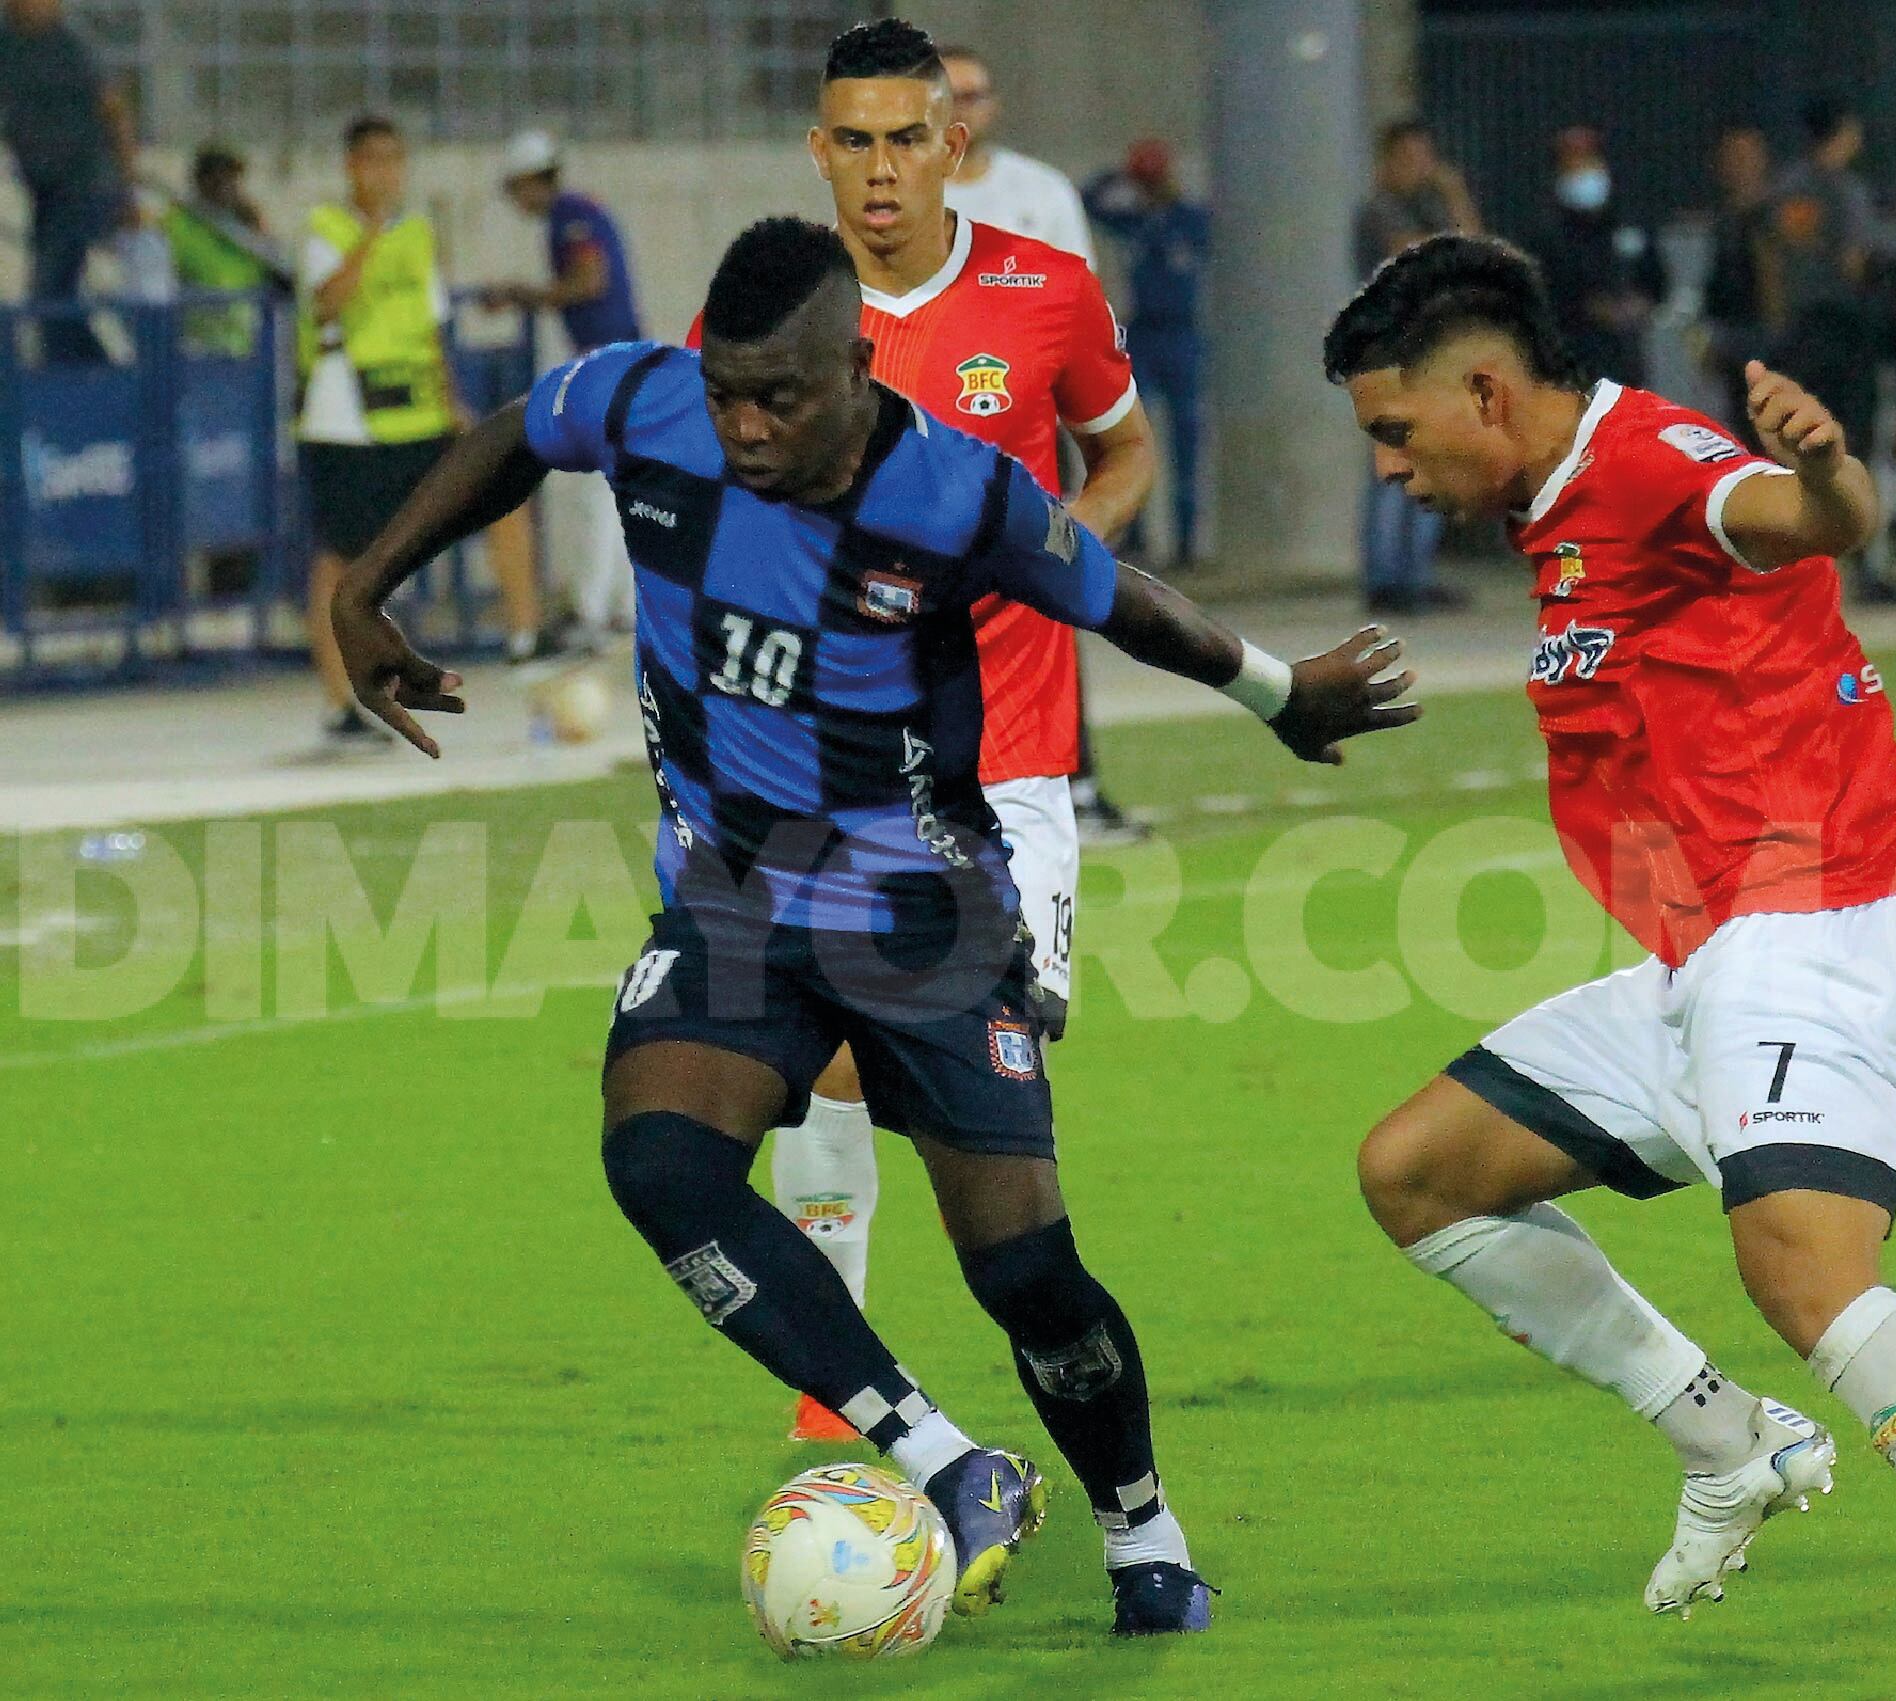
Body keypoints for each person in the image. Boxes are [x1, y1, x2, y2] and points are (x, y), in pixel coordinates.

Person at [329, 216, 1417, 1635]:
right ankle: (945, 1459)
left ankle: (1142, 1520)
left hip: (921, 912)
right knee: (661, 1161)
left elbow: (1126, 605)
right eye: (726, 390)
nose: (743, 422)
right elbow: (512, 435)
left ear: (856, 364)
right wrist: (366, 587)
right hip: (731, 892)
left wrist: (1281, 692)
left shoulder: (956, 493)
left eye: (778, 394)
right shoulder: (652, 401)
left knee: (1025, 1273)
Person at [1326, 233, 1896, 1683]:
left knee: (1808, 1276)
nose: (1390, 470)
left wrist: (1838, 468)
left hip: (1807, 924)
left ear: (1484, 389)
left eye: (1395, 433)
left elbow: (1805, 518)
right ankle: (1726, 1440)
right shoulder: (1552, 503)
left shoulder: (1657, 461)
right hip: (1701, 956)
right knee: (1417, 1171)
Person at [690, 18, 1160, 1441]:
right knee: (824, 1061)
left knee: (989, 1127)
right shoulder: (765, 320)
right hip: (818, 772)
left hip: (1008, 764)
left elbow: (1124, 445)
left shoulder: (1047, 292)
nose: (882, 169)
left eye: (909, 138)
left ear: (956, 145)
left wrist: (1064, 549)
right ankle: (843, 1419)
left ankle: (1097, 1454)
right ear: (816, 151)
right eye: (855, 140)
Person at [934, 39, 1134, 845]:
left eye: (976, 93)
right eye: (950, 94)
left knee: (1047, 590)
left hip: (1023, 430)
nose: (966, 108)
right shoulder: (903, 193)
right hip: (928, 432)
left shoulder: (1038, 192)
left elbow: (1079, 313)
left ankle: (1073, 778)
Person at [297, 114, 549, 746]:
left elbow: (431, 327)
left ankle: (525, 639)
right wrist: (371, 232)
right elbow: (327, 301)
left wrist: (455, 402)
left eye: (396, 161)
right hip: (348, 421)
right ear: (352, 167)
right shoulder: (325, 232)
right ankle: (341, 708)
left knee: (502, 492)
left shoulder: (418, 237)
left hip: (419, 414)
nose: (388, 174)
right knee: (341, 561)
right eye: (375, 161)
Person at [480, 129, 644, 647]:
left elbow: (589, 281)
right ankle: (619, 608)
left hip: (608, 361)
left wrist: (520, 294)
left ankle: (595, 610)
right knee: (616, 486)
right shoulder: (579, 210)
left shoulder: (568, 214)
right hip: (619, 359)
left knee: (600, 491)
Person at [1771, 97, 1896, 605]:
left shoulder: (1787, 189)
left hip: (1800, 331)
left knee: (1799, 449)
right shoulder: (1848, 191)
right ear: (1844, 131)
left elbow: (1778, 259)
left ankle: (1796, 573)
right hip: (1847, 331)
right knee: (1856, 451)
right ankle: (1866, 567)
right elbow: (1855, 261)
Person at [1352, 120, 1480, 615]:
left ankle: (1416, 575)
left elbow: (1475, 253)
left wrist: (1455, 197)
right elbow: (1420, 253)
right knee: (1391, 466)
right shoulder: (1377, 211)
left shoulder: (1431, 207)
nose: (1420, 168)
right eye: (1409, 157)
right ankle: (1385, 579)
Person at [1084, 139, 1211, 569]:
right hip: (1142, 335)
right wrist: (1123, 176)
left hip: (1181, 335)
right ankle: (1136, 536)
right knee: (1133, 438)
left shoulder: (1189, 220)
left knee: (1186, 441)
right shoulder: (1133, 220)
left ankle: (1186, 542)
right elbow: (1088, 198)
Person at [0, 0, 138, 363]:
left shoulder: (73, 46)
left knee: (52, 288)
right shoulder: (7, 42)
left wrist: (127, 189)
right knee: (55, 292)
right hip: (44, 191)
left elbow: (114, 111)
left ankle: (86, 375)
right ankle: (84, 369)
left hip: (87, 186)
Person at [937, 43, 1096, 265]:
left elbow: (1078, 287)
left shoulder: (1046, 190)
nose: (959, 109)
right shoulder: (894, 191)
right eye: (947, 97)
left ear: (993, 104)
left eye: (971, 97)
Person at [1532, 126, 1662, 387]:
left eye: (1588, 163)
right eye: (1572, 166)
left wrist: (1639, 304)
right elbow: (1547, 295)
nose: (1582, 173)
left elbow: (1657, 281)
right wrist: (1591, 309)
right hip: (1576, 361)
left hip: (1629, 360)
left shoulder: (1629, 222)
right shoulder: (1548, 236)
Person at [163, 143, 293, 359]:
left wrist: (258, 229)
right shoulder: (179, 223)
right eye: (216, 178)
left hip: (246, 349)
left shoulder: (245, 230)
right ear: (200, 181)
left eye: (231, 178)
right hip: (197, 348)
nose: (225, 186)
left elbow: (282, 270)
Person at [1699, 126, 1781, 424]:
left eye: (1746, 156)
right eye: (1731, 157)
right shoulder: (1724, 221)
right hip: (1733, 342)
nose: (1738, 165)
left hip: (1770, 343)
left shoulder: (1774, 215)